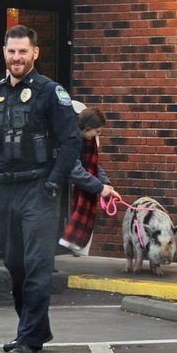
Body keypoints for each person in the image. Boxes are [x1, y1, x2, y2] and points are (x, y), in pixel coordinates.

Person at [0, 25, 81, 353]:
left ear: (35, 53)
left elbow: (72, 140)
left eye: (23, 51)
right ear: (4, 53)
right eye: (12, 51)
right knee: (15, 264)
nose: (17, 58)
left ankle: (28, 339)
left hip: (39, 190)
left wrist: (55, 181)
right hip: (5, 190)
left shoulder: (50, 92)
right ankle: (36, 329)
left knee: (37, 265)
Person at [58, 102, 121, 256]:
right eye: (97, 132)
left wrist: (106, 184)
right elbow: (76, 170)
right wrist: (100, 188)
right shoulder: (70, 138)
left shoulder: (86, 139)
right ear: (87, 128)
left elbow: (92, 165)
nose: (97, 136)